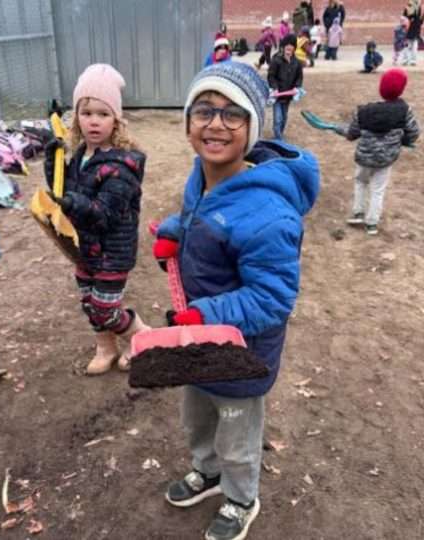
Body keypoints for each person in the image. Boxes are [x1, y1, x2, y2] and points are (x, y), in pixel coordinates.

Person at [156, 61, 319, 540]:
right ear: (188, 120)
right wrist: (172, 233)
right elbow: (196, 218)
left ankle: (241, 497)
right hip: (198, 340)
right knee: (197, 416)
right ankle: (207, 473)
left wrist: (205, 314)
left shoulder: (269, 211)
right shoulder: (201, 175)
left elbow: (272, 299)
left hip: (241, 353)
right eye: (204, 110)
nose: (215, 124)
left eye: (233, 115)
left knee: (236, 434)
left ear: (252, 128)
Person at [42, 63, 150, 375]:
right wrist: (54, 163)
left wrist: (72, 203)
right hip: (84, 248)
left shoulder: (122, 166)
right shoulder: (78, 156)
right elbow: (64, 191)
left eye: (103, 114)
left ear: (116, 119)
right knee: (90, 304)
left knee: (105, 308)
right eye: (86, 113)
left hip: (112, 253)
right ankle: (106, 348)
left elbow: (103, 215)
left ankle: (139, 336)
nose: (93, 121)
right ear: (76, 116)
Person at [344, 68, 420, 235]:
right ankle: (372, 223)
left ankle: (358, 213)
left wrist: (345, 132)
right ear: (401, 89)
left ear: (382, 87)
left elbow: (352, 134)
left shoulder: (363, 110)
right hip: (386, 159)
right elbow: (414, 132)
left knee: (361, 182)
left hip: (364, 157)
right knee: (378, 189)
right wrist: (404, 140)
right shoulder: (404, 110)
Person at [268, 35, 304, 139]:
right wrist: (274, 88)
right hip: (277, 96)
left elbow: (299, 77)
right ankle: (278, 138)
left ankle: (280, 134)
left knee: (284, 118)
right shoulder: (276, 60)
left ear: (294, 48)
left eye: (292, 45)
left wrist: (297, 87)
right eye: (287, 45)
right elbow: (271, 75)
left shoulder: (296, 63)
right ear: (283, 46)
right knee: (278, 118)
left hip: (288, 96)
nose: (289, 47)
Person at [404, 1, 422, 66]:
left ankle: (407, 60)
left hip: (412, 29)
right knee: (411, 46)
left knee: (409, 46)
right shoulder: (415, 7)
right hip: (411, 29)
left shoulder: (409, 6)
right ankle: (410, 60)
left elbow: (404, 17)